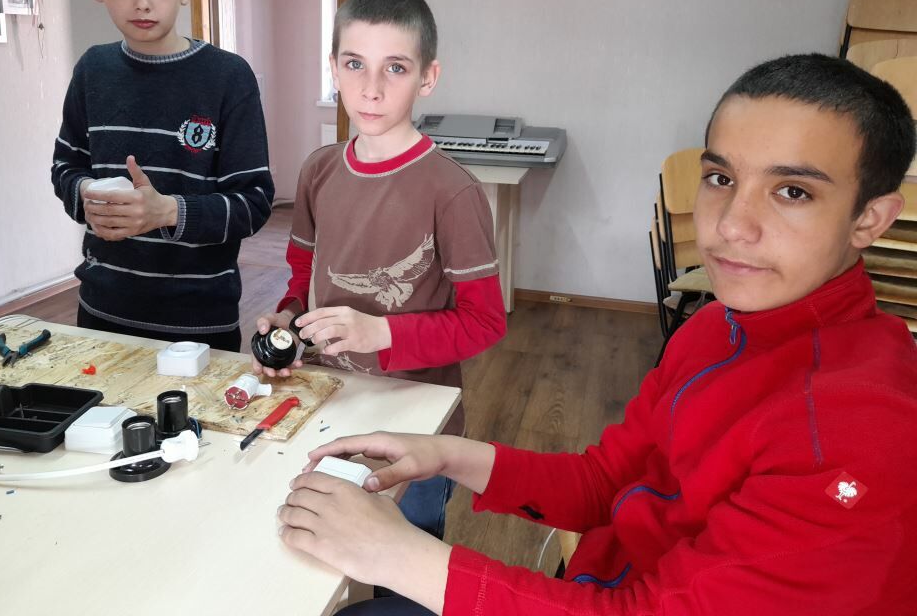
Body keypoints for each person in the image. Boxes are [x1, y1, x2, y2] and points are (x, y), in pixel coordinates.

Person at [277, 54, 917, 615]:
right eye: (721, 179)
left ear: (870, 219)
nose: (731, 226)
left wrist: (397, 555)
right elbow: (605, 482)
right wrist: (445, 455)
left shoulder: (860, 430)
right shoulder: (716, 327)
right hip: (599, 581)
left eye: (793, 191)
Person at [255, 0, 507, 542]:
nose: (370, 89)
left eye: (395, 68)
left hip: (414, 426)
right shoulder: (319, 170)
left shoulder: (453, 192)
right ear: (334, 69)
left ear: (427, 77)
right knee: (319, 549)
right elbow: (304, 276)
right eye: (354, 64)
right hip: (328, 402)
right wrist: (288, 318)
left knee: (405, 557)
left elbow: (486, 323)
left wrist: (380, 333)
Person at [51, 0, 273, 352]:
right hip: (100, 315)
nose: (142, 2)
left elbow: (253, 202)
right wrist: (86, 195)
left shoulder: (228, 77)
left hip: (199, 325)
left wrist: (167, 211)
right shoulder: (92, 70)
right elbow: (64, 167)